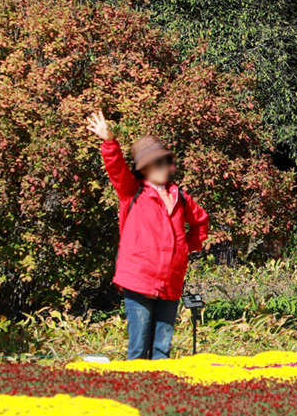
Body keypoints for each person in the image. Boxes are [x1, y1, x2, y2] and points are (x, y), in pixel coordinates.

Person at [86, 110, 209, 360]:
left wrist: (187, 247)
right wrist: (109, 141)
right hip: (139, 280)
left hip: (170, 283)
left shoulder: (180, 197)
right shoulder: (132, 192)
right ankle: (135, 395)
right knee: (139, 350)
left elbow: (202, 222)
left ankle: (160, 398)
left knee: (163, 351)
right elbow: (116, 168)